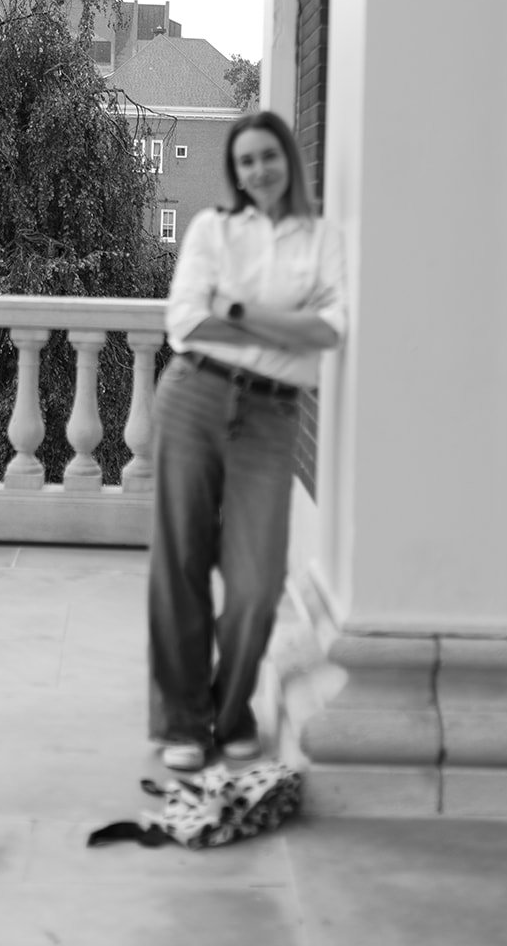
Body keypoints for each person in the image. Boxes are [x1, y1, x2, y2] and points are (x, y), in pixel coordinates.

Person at [148, 110, 346, 772]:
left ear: (288, 158)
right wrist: (280, 328)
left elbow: (328, 333)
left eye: (267, 155)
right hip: (193, 397)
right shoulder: (211, 229)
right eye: (244, 161)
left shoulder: (324, 240)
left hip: (270, 417)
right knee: (180, 566)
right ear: (234, 173)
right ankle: (183, 721)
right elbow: (183, 322)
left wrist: (232, 311)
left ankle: (230, 712)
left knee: (258, 582)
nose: (257, 169)